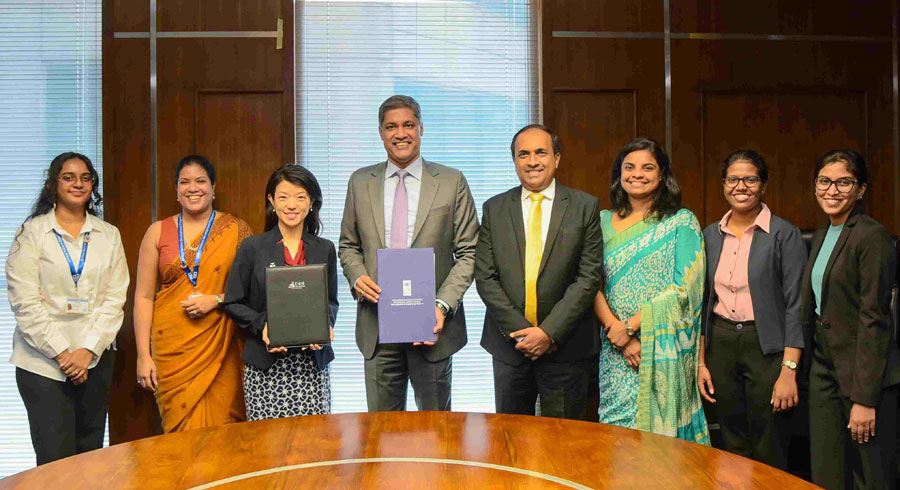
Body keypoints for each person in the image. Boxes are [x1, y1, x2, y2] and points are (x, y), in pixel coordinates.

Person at [338, 95, 479, 412]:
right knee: (382, 433)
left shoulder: (451, 181)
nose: (400, 133)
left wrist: (441, 306)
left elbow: (470, 252)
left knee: (437, 431)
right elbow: (348, 245)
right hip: (377, 326)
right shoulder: (360, 182)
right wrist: (357, 276)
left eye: (408, 125)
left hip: (432, 328)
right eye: (391, 127)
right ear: (380, 132)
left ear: (421, 128)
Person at [6, 152, 128, 464]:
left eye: (85, 178)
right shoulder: (31, 233)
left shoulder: (109, 235)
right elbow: (25, 302)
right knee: (54, 461)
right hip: (42, 364)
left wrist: (86, 352)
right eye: (68, 177)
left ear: (93, 186)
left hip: (95, 360)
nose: (78, 183)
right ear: (54, 184)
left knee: (89, 458)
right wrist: (63, 354)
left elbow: (115, 299)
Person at [475, 124, 603, 421]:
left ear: (557, 158)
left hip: (566, 348)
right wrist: (522, 334)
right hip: (510, 349)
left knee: (565, 444)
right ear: (515, 161)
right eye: (524, 154)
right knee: (510, 442)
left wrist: (547, 333)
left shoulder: (584, 206)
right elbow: (485, 277)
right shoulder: (494, 208)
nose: (532, 161)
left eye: (541, 152)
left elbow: (588, 278)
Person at [593, 137, 709, 443]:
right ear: (619, 174)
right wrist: (618, 333)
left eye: (648, 167)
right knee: (617, 436)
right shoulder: (602, 221)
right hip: (615, 347)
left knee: (662, 444)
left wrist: (632, 326)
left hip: (663, 349)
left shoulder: (681, 222)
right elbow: (589, 282)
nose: (637, 174)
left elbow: (683, 289)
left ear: (662, 175)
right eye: (629, 167)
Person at [696, 149, 807, 469]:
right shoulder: (709, 235)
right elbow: (703, 303)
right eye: (733, 179)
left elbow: (795, 306)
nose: (740, 186)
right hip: (721, 343)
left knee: (769, 438)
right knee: (730, 437)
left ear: (763, 185)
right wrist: (701, 361)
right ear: (723, 184)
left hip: (767, 347)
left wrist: (789, 369)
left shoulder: (784, 234)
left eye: (750, 179)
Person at [801, 149, 899, 489]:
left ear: (860, 190)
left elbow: (875, 320)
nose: (832, 190)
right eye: (824, 181)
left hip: (862, 377)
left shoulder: (872, 236)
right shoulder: (824, 232)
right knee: (827, 472)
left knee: (870, 477)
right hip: (824, 371)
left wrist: (864, 399)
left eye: (844, 182)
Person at [133, 155, 250, 432]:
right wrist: (143, 355)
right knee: (179, 440)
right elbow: (143, 297)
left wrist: (218, 300)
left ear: (213, 188)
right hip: (171, 351)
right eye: (184, 182)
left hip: (221, 350)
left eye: (200, 181)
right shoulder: (156, 232)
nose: (192, 188)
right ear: (176, 190)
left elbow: (252, 292)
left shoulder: (235, 230)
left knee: (224, 435)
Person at [225, 165, 337, 420]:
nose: (291, 205)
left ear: (311, 203)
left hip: (311, 366)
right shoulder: (252, 247)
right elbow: (233, 301)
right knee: (269, 449)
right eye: (283, 196)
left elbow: (331, 301)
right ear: (271, 201)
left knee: (314, 446)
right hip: (265, 368)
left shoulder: (325, 249)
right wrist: (264, 326)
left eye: (300, 197)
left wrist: (325, 323)